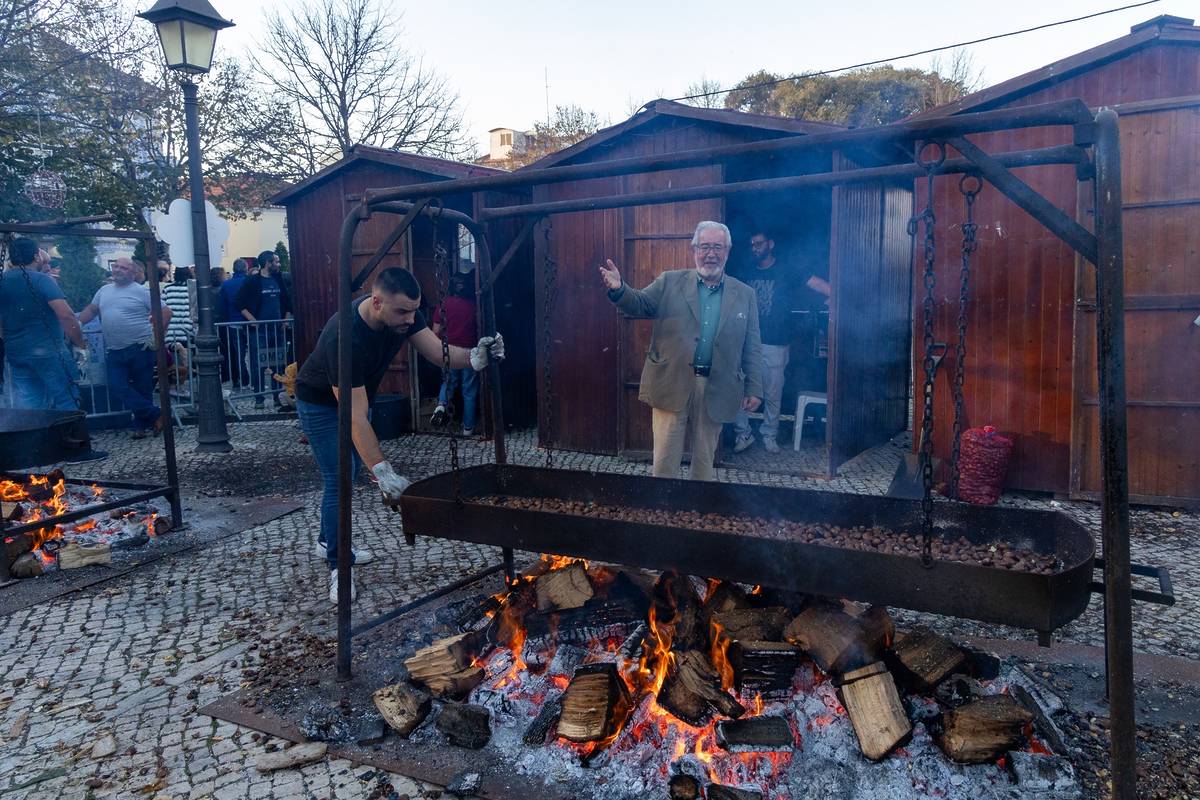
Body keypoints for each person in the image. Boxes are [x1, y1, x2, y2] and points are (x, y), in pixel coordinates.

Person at [294, 267, 504, 603]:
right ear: (376, 302)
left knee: (346, 472)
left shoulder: (405, 316)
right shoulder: (343, 336)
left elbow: (438, 353)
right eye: (403, 311)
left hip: (358, 400)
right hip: (319, 404)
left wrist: (475, 358)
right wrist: (382, 471)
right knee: (340, 480)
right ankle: (339, 564)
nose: (411, 318)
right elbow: (354, 416)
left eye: (414, 310)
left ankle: (326, 540)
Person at [600, 220, 763, 481]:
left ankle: (696, 513)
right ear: (694, 249)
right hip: (671, 380)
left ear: (728, 251)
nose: (711, 254)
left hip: (717, 385)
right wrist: (620, 290)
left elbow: (752, 344)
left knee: (704, 463)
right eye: (705, 246)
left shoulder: (745, 294)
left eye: (718, 247)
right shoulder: (670, 282)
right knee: (664, 460)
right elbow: (640, 304)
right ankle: (663, 512)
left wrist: (755, 387)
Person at [78, 257, 171, 439]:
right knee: (117, 386)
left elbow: (166, 312)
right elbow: (91, 310)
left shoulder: (142, 291)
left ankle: (140, 427)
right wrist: (76, 323)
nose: (118, 270)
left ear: (133, 273)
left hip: (140, 347)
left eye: (124, 268)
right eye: (116, 266)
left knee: (142, 387)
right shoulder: (104, 290)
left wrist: (157, 337)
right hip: (114, 348)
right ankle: (156, 415)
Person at [731, 230, 802, 455]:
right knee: (737, 388)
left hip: (776, 343)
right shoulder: (745, 271)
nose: (755, 248)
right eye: (752, 244)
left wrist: (835, 295)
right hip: (746, 341)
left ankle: (769, 435)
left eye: (759, 244)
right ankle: (743, 434)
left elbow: (812, 281)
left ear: (770, 244)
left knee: (773, 394)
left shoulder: (786, 270)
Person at [0, 237, 84, 410]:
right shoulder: (41, 280)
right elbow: (66, 315)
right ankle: (72, 435)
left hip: (16, 353)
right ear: (37, 256)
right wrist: (80, 344)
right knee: (65, 397)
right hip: (49, 352)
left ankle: (37, 436)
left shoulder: (3, 281)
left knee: (30, 402)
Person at [237, 250, 291, 408]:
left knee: (277, 362)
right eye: (275, 261)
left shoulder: (278, 279)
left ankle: (276, 395)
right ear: (267, 263)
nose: (278, 264)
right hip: (259, 330)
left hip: (277, 329)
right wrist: (252, 320)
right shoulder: (252, 281)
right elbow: (239, 302)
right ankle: (259, 397)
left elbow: (287, 301)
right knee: (258, 363)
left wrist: (285, 320)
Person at [430, 272, 480, 435]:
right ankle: (468, 428)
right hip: (468, 353)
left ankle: (441, 405)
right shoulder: (473, 306)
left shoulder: (443, 305)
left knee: (448, 382)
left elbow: (435, 331)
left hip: (448, 351)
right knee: (469, 390)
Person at [218, 258, 249, 387]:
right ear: (246, 268)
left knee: (237, 353)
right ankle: (252, 380)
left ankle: (239, 379)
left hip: (233, 322)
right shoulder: (249, 281)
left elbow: (221, 306)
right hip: (250, 321)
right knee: (253, 351)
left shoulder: (226, 285)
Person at [161, 264, 194, 346]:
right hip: (188, 330)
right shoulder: (193, 289)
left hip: (172, 331)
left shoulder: (168, 289)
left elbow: (162, 308)